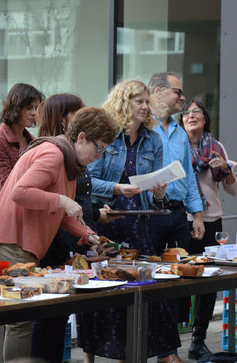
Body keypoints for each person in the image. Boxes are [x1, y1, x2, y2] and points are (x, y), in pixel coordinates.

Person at [0, 106, 117, 362]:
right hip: (9, 241)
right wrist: (62, 200)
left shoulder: (69, 161)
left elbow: (65, 214)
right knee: (20, 320)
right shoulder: (54, 154)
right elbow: (20, 193)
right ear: (82, 137)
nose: (99, 156)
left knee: (16, 319)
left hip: (17, 243)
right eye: (99, 148)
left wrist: (89, 236)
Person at [82, 79, 180, 363]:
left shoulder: (154, 139)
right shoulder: (108, 136)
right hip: (105, 220)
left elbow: (156, 194)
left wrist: (160, 193)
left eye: (147, 102)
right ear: (125, 103)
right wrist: (117, 189)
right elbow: (89, 181)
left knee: (143, 288)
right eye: (139, 101)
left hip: (139, 222)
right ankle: (90, 356)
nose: (146, 107)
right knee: (102, 288)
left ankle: (146, 354)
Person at [147, 72, 204, 362]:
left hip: (178, 213)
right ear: (158, 92)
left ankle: (167, 351)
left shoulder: (180, 133)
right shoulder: (145, 128)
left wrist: (197, 213)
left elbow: (190, 176)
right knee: (151, 283)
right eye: (177, 93)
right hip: (151, 214)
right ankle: (158, 350)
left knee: (175, 284)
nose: (183, 99)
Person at [180, 98, 237, 359]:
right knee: (179, 280)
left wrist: (227, 170)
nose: (192, 116)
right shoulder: (175, 146)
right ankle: (170, 342)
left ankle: (198, 339)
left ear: (205, 119)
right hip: (182, 220)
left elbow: (233, 190)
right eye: (187, 113)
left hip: (213, 219)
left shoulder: (216, 147)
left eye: (197, 112)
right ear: (181, 120)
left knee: (209, 280)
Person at [0, 83, 44, 207]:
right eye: (28, 108)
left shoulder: (34, 141)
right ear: (15, 108)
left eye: (36, 108)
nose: (34, 113)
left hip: (30, 211)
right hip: (5, 214)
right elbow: (7, 186)